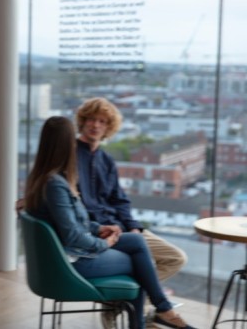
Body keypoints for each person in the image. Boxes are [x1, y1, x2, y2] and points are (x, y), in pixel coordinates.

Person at [24, 116, 195, 329]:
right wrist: (105, 244)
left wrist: (101, 228)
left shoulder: (44, 178)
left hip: (70, 253)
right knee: (143, 264)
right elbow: (73, 235)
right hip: (73, 261)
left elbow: (74, 221)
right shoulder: (56, 184)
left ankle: (159, 311)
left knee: (136, 241)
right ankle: (156, 314)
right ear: (66, 145)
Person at [75, 97, 187, 282]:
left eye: (102, 121)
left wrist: (133, 227)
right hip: (96, 231)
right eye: (91, 119)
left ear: (108, 128)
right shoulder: (68, 155)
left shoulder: (106, 160)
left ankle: (128, 301)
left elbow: (120, 200)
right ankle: (134, 304)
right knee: (140, 262)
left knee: (175, 258)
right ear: (82, 121)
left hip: (121, 227)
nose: (95, 125)